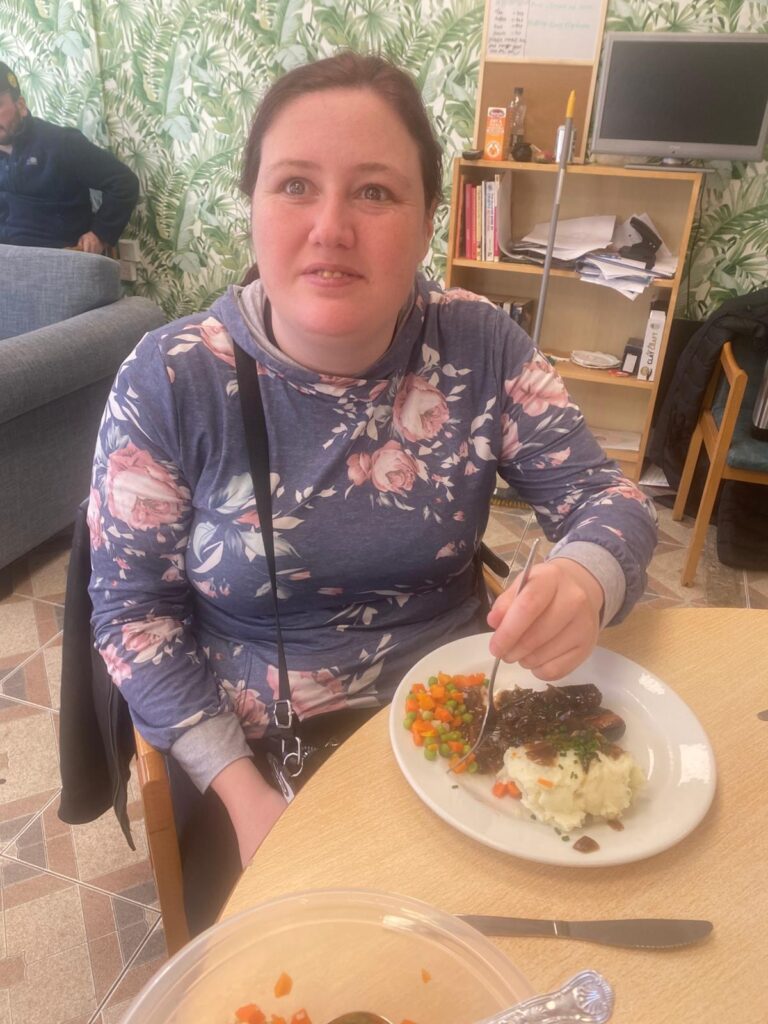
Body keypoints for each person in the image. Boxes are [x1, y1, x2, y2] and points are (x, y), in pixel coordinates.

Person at [87, 52, 657, 925]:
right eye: (294, 186)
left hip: (460, 737)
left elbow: (607, 499)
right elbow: (130, 615)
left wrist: (586, 575)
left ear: (431, 219)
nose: (330, 227)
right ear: (251, 208)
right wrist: (244, 796)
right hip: (254, 759)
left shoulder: (480, 342)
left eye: (376, 193)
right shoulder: (169, 378)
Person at [0, 61, 138, 252]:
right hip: (7, 265)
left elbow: (123, 182)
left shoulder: (61, 143)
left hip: (59, 260)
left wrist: (100, 234)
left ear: (21, 105)